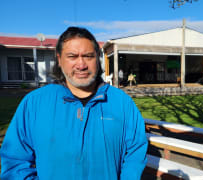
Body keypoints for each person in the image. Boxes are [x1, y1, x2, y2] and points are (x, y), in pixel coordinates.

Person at [0, 27, 148, 179]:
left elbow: (135, 152)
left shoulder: (122, 102)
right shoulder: (34, 103)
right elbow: (15, 161)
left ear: (97, 58)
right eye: (72, 56)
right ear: (59, 59)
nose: (81, 65)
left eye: (88, 56)